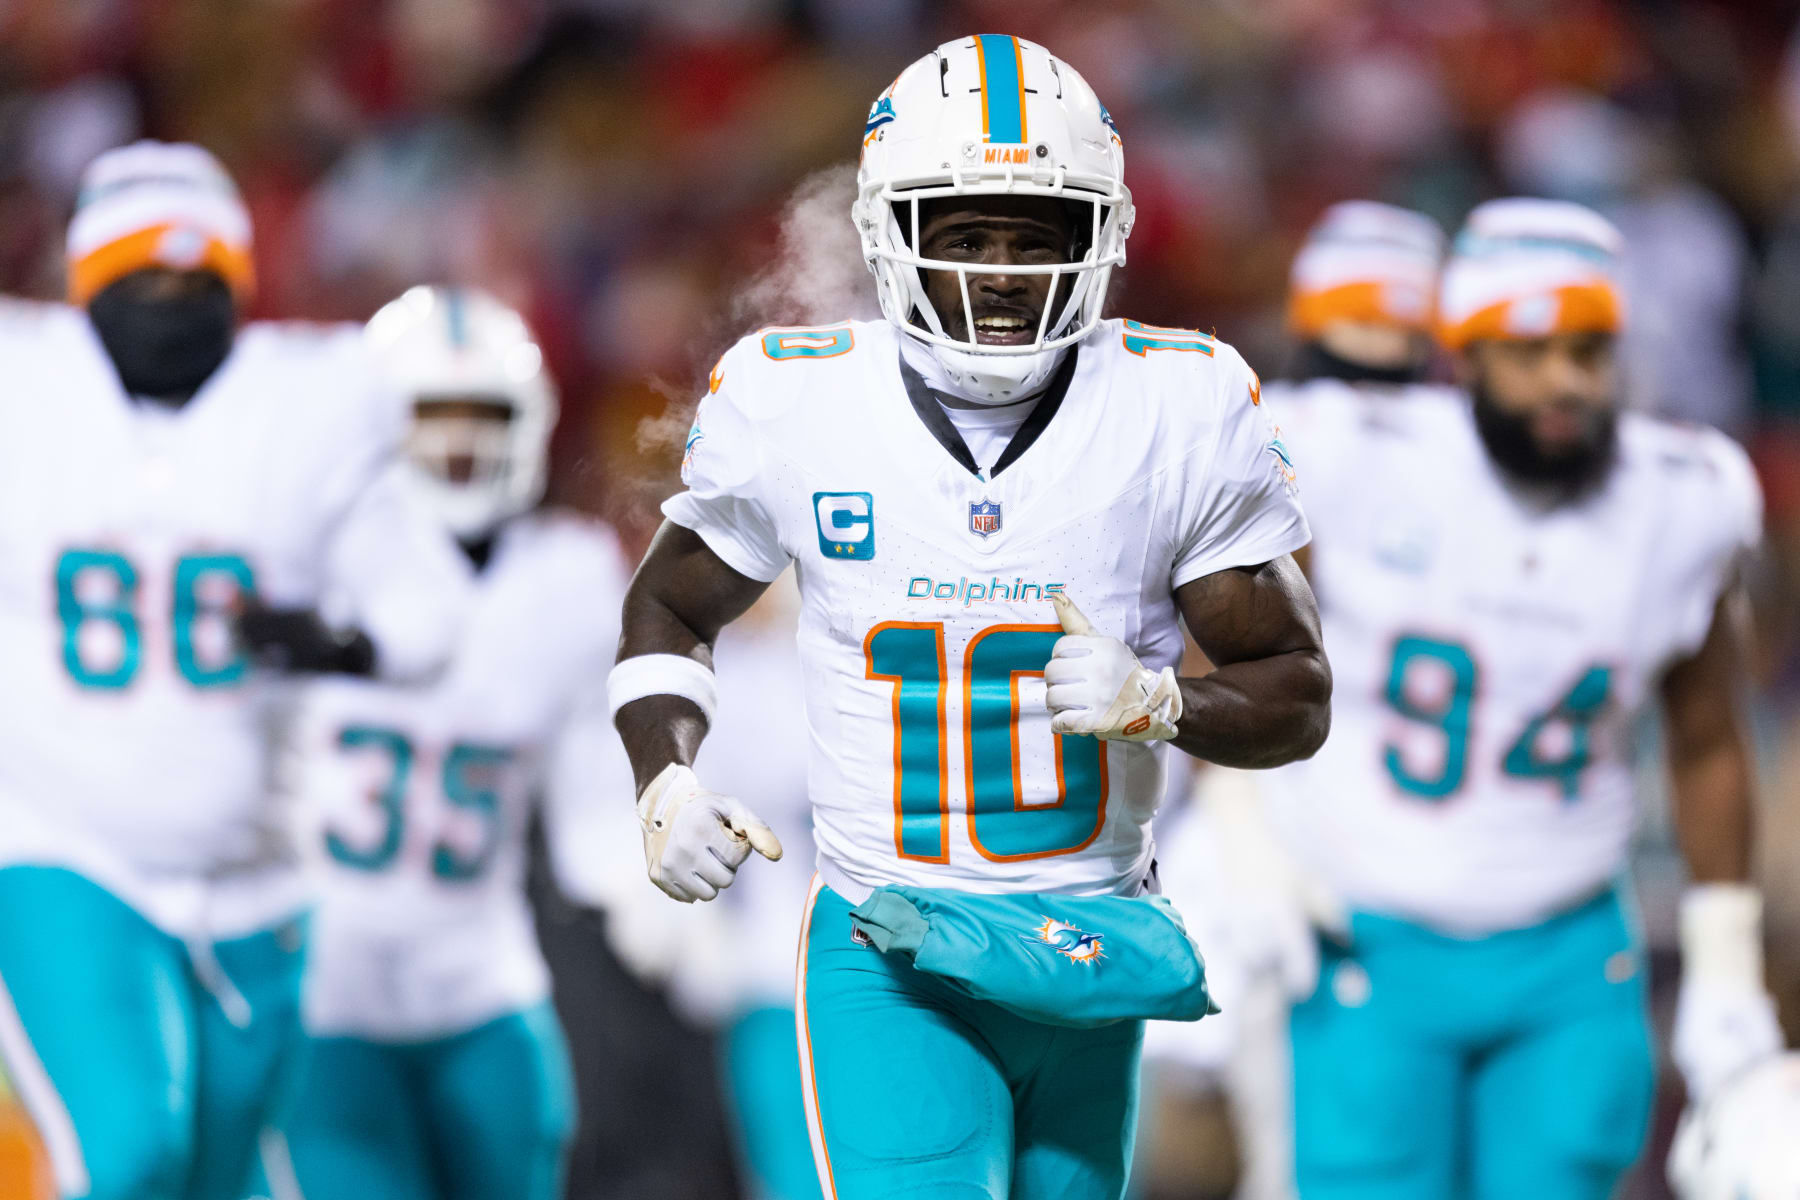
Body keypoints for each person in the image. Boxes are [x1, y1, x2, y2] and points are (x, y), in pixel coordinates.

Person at [608, 34, 1331, 1200]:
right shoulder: (803, 400)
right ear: (894, 238)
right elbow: (670, 602)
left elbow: (1298, 691)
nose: (1002, 272)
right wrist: (664, 780)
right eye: (965, 235)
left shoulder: (1173, 406)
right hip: (890, 950)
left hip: (1089, 950)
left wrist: (1162, 703)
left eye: (1034, 235)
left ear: (1098, 240)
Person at [1261, 197, 1782, 1200]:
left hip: (1568, 946)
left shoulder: (1680, 500)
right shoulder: (1349, 452)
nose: (1565, 383)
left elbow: (1708, 738)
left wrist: (1725, 955)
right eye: (1530, 352)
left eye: (1589, 353)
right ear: (1463, 351)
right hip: (1370, 928)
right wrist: (1244, 834)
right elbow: (1224, 635)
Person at [0, 142, 469, 1200]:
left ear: (239, 287)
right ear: (85, 286)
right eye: (141, 277)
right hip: (63, 847)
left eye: (194, 277)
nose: (168, 298)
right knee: (126, 1156)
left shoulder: (314, 401)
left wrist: (342, 642)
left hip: (257, 880)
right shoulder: (23, 386)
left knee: (217, 1182)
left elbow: (428, 611)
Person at [261, 286, 630, 1200]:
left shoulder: (570, 577)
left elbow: (594, 786)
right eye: (432, 418)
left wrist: (632, 873)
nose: (461, 445)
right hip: (327, 992)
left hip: (485, 986)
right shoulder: (317, 558)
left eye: (484, 416)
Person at [1141, 199, 1446, 1200]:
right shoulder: (1275, 438)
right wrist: (1240, 822)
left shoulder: (1470, 461)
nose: (1379, 351)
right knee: (1230, 1138)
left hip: (1432, 828)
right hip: (1285, 809)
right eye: (1361, 319)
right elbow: (1208, 642)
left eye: (1402, 326)